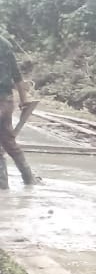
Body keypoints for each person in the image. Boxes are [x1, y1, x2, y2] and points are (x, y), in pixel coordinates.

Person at [0, 31, 40, 189]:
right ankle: (28, 180)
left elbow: (16, 76)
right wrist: (23, 100)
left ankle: (3, 186)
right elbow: (17, 76)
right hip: (7, 100)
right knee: (9, 142)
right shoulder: (5, 44)